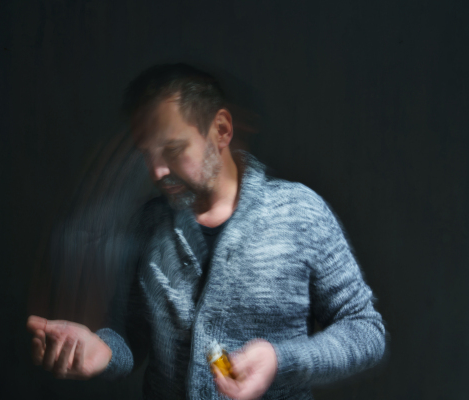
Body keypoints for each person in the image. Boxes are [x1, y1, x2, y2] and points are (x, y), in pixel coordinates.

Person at [26, 63, 386, 399]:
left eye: (173, 149)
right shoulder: (148, 223)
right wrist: (100, 350)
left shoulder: (300, 212)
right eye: (146, 155)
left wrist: (280, 359)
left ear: (222, 130)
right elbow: (131, 340)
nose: (156, 172)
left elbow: (365, 330)